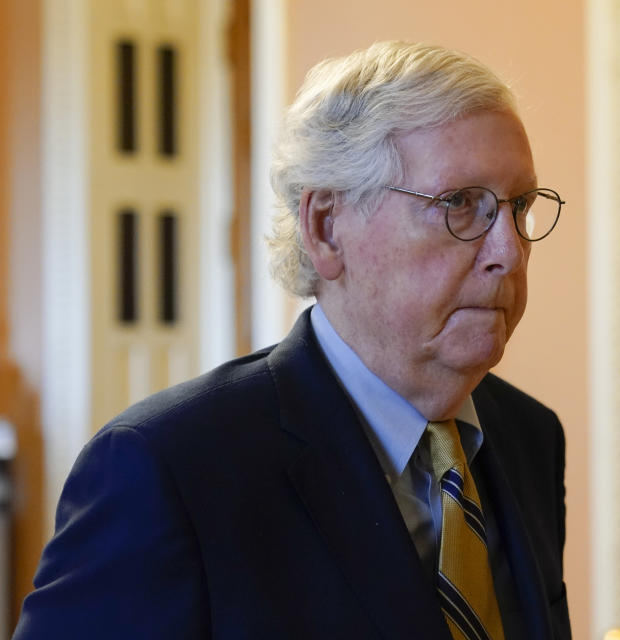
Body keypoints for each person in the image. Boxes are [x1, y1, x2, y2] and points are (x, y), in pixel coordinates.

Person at [14, 41, 571, 640]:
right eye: (460, 204)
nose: (509, 252)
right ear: (327, 228)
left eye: (518, 207)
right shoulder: (167, 467)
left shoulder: (529, 437)